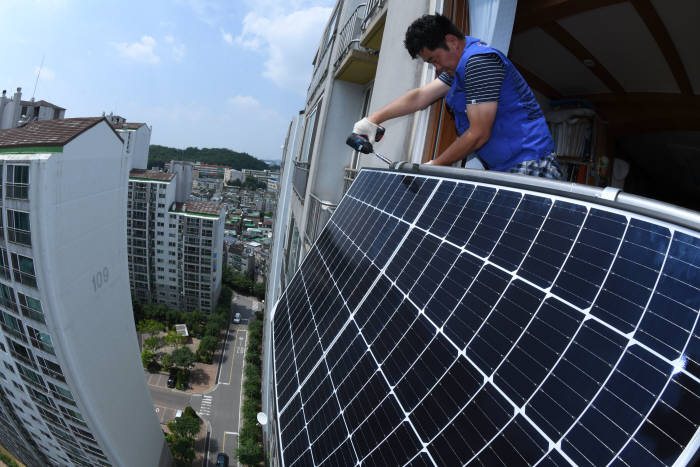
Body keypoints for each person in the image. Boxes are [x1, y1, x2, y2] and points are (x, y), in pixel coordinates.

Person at [352, 14, 563, 179]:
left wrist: (435, 165)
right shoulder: (458, 69)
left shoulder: (478, 63)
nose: (436, 68)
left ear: (451, 41)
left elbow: (479, 133)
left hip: (529, 165)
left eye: (434, 59)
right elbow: (420, 97)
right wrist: (373, 120)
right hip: (507, 167)